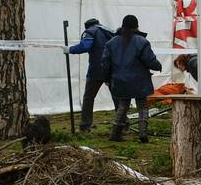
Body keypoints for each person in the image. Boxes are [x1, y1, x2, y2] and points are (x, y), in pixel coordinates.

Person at [100, 14, 162, 143]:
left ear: (122, 26)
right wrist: (158, 66)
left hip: (120, 80)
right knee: (142, 106)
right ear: (136, 26)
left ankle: (115, 133)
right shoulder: (142, 42)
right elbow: (150, 60)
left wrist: (106, 78)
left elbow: (105, 63)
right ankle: (143, 133)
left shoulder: (111, 43)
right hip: (139, 80)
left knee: (123, 106)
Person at [67, 18, 113, 132]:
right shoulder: (109, 31)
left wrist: (70, 49)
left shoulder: (90, 32)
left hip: (96, 69)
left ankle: (85, 126)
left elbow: (85, 46)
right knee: (118, 97)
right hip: (112, 68)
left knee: (88, 97)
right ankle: (122, 125)